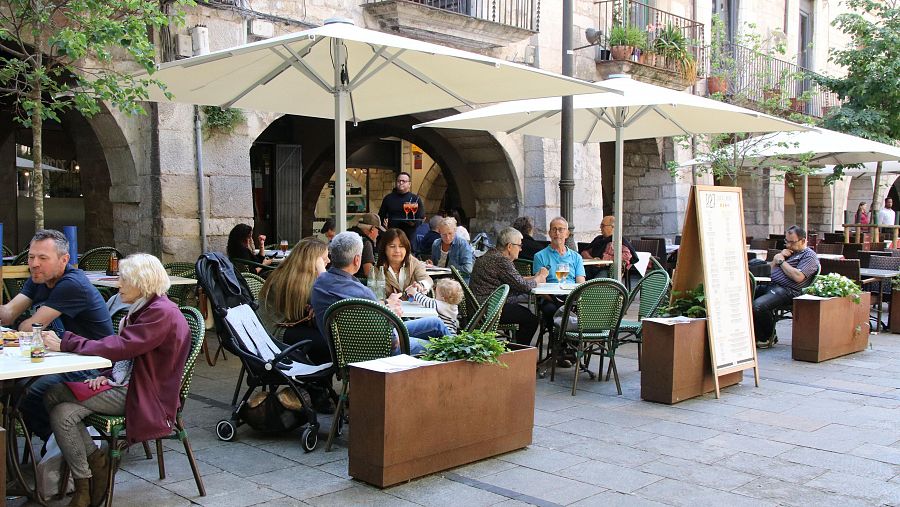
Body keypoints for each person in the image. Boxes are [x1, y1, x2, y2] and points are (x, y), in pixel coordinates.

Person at [41, 253, 190, 507]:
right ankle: (90, 477)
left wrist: (68, 341)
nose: (118, 284)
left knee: (53, 394)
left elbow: (122, 347)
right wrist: (107, 376)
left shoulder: (161, 313)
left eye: (123, 279)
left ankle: (93, 471)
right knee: (62, 413)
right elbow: (131, 357)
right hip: (132, 386)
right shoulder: (148, 308)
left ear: (141, 282)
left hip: (145, 397)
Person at [0, 229, 114, 441]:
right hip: (64, 356)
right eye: (32, 257)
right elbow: (8, 314)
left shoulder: (72, 284)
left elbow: (29, 328)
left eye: (43, 258)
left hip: (92, 366)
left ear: (64, 260)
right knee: (16, 388)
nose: (34, 263)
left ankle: (69, 447)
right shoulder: (39, 278)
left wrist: (17, 326)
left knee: (28, 392)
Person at [311, 232, 449, 354]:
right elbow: (393, 341)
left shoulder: (319, 285)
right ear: (357, 260)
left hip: (345, 351)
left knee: (436, 323)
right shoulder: (363, 293)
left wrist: (385, 307)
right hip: (378, 350)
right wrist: (392, 314)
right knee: (442, 346)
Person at [257, 237, 332, 365]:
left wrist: (313, 307)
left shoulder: (291, 275)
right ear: (312, 261)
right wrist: (322, 273)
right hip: (274, 332)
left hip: (284, 324)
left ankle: (318, 379)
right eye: (324, 259)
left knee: (326, 338)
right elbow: (329, 300)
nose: (329, 261)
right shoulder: (293, 282)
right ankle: (317, 379)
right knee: (327, 342)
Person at [470, 227, 548, 345]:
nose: (521, 249)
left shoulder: (490, 255)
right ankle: (518, 353)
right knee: (531, 320)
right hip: (490, 309)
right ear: (510, 247)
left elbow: (515, 279)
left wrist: (533, 277)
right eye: (519, 245)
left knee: (524, 314)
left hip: (478, 306)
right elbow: (523, 287)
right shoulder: (502, 261)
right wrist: (539, 278)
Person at [752, 225, 819, 346]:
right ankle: (754, 334)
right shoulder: (787, 252)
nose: (788, 245)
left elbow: (798, 277)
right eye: (786, 241)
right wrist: (778, 257)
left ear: (803, 240)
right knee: (744, 298)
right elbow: (769, 271)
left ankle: (767, 336)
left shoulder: (809, 256)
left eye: (792, 242)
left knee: (758, 306)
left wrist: (781, 262)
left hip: (789, 290)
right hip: (770, 285)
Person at [533, 217, 586, 353]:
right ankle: (560, 347)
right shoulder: (540, 256)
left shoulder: (576, 257)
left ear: (567, 234)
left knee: (578, 311)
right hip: (550, 297)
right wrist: (555, 300)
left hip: (571, 297)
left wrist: (574, 298)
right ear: (549, 233)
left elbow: (581, 282)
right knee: (552, 309)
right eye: (554, 229)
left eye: (561, 230)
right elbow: (538, 284)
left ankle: (571, 348)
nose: (557, 233)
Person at [376, 228, 434, 296]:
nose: (397, 250)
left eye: (401, 246)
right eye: (392, 246)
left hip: (414, 305)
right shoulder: (377, 269)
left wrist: (420, 285)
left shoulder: (414, 262)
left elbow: (427, 279)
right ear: (384, 249)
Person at [378, 171, 424, 242]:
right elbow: (381, 217)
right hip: (392, 234)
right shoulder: (388, 198)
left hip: (409, 236)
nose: (401, 183)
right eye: (399, 181)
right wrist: (385, 227)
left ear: (409, 184)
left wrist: (413, 224)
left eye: (404, 181)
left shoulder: (415, 199)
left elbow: (420, 218)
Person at [429, 216, 474, 282]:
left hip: (456, 281)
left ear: (455, 231)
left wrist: (448, 269)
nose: (447, 237)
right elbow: (435, 265)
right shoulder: (436, 244)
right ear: (439, 232)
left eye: (450, 233)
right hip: (437, 279)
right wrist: (431, 264)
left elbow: (468, 269)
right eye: (444, 234)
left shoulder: (462, 244)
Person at [348, 213, 384, 278]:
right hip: (358, 283)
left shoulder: (347, 236)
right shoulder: (366, 243)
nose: (378, 234)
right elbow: (369, 273)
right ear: (372, 229)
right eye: (378, 231)